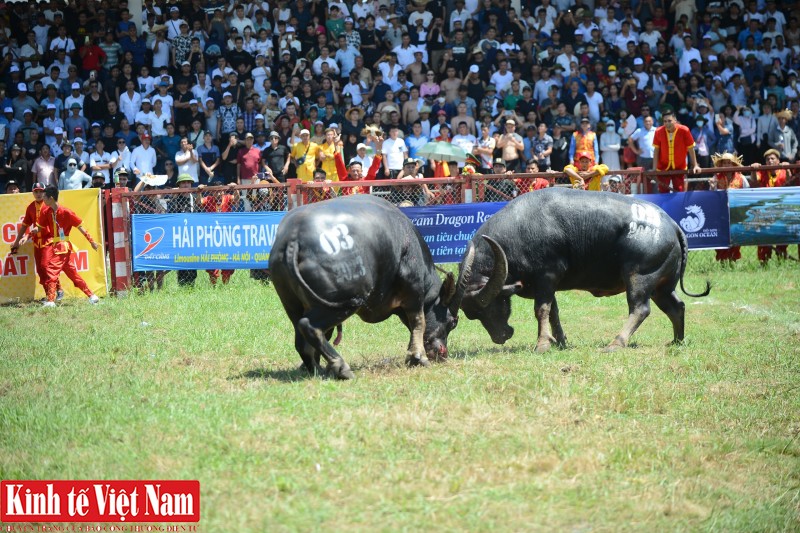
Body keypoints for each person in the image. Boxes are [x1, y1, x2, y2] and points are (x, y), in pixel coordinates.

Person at [34, 186, 100, 307]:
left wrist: (91, 241)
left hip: (63, 246)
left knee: (51, 271)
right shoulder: (46, 211)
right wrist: (30, 233)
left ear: (51, 198)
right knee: (72, 274)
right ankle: (92, 296)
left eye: (45, 197)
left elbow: (80, 227)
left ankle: (50, 301)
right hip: (55, 246)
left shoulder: (66, 212)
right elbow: (39, 228)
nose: (43, 199)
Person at [9, 182, 63, 300]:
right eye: (36, 191)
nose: (38, 194)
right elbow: (25, 226)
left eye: (41, 191)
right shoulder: (30, 207)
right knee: (40, 269)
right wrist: (18, 241)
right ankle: (49, 294)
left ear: (45, 192)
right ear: (32, 193)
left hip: (48, 240)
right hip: (36, 242)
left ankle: (58, 290)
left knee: (45, 266)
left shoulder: (49, 204)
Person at [752, 149, 792, 264]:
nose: (770, 161)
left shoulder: (783, 170)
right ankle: (764, 262)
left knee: (782, 235)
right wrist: (754, 169)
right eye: (767, 159)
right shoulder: (762, 171)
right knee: (764, 235)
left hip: (781, 209)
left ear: (778, 160)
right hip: (765, 210)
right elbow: (754, 180)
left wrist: (787, 168)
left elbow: (789, 180)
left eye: (772, 158)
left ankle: (782, 260)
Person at [199, 179, 239, 285]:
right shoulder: (208, 199)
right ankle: (214, 286)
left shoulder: (227, 198)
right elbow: (199, 202)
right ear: (212, 192)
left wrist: (236, 188)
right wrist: (199, 191)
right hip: (212, 235)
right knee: (212, 260)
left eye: (220, 191)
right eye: (216, 191)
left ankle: (225, 285)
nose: (218, 193)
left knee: (227, 260)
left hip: (226, 234)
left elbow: (237, 199)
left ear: (224, 191)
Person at [709, 153, 747, 263]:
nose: (726, 165)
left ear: (734, 164)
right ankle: (722, 260)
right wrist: (712, 187)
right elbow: (711, 196)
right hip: (720, 213)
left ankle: (734, 259)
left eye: (728, 163)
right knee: (721, 237)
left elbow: (747, 192)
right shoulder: (716, 178)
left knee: (735, 235)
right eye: (724, 163)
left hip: (737, 213)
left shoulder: (742, 178)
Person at [652, 110, 702, 193]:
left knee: (679, 190)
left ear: (675, 120)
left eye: (669, 121)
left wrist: (695, 165)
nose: (667, 123)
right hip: (663, 166)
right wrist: (654, 168)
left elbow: (691, 149)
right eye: (665, 121)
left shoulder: (684, 130)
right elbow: (656, 150)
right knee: (663, 191)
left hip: (679, 166)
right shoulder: (658, 131)